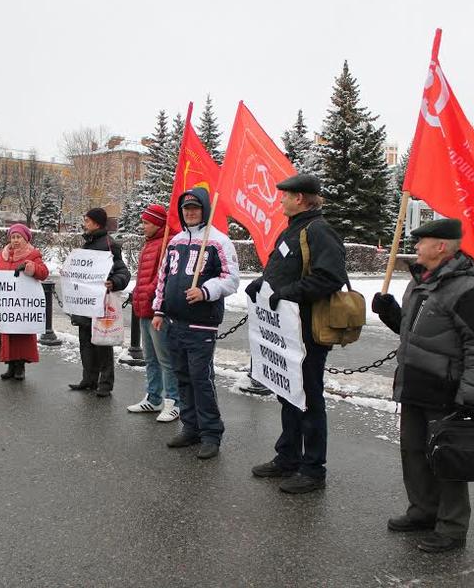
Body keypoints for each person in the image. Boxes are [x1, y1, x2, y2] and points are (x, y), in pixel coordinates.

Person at [370, 217, 474, 554]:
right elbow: (415, 334)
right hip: (414, 383)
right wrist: (389, 313)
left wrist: (469, 395)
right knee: (413, 452)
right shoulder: (420, 281)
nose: (416, 246)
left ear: (441, 246)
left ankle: (452, 527)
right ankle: (423, 511)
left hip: (445, 389)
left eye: (422, 241)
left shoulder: (466, 289)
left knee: (446, 458)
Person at [245, 174, 347, 494]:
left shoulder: (319, 230)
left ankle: (313, 469)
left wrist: (288, 293)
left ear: (300, 198)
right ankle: (287, 457)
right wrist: (263, 284)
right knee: (287, 392)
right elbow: (283, 270)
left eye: (284, 196)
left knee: (309, 399)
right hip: (286, 332)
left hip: (308, 332)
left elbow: (330, 276)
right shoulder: (293, 230)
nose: (280, 200)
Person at [152, 187, 239, 459]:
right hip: (174, 323)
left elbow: (231, 279)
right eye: (186, 208)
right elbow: (163, 279)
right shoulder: (175, 241)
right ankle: (191, 428)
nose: (189, 212)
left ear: (204, 210)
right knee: (183, 378)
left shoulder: (219, 241)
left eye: (195, 208)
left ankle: (211, 433)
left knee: (201, 379)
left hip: (202, 324)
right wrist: (159, 310)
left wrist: (205, 291)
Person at [68, 208, 130, 397]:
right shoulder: (88, 243)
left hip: (101, 303)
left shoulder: (110, 245)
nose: (84, 223)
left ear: (96, 223)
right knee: (85, 343)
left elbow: (123, 272)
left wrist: (114, 282)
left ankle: (105, 382)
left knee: (102, 344)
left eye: (87, 220)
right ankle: (89, 379)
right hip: (85, 304)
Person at [126, 203, 180, 422]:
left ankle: (173, 401)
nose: (143, 226)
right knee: (150, 358)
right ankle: (154, 397)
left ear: (158, 223)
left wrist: (147, 292)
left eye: (147, 222)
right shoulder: (150, 243)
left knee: (165, 358)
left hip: (158, 309)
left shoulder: (168, 241)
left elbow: (163, 275)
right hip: (144, 306)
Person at [0, 224, 49, 381]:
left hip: (23, 307)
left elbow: (43, 273)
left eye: (18, 237)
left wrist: (30, 267)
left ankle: (20, 367)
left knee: (21, 337)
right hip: (6, 305)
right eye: (13, 237)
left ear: (25, 239)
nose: (15, 240)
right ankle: (10, 365)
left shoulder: (32, 254)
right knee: (7, 335)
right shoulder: (2, 255)